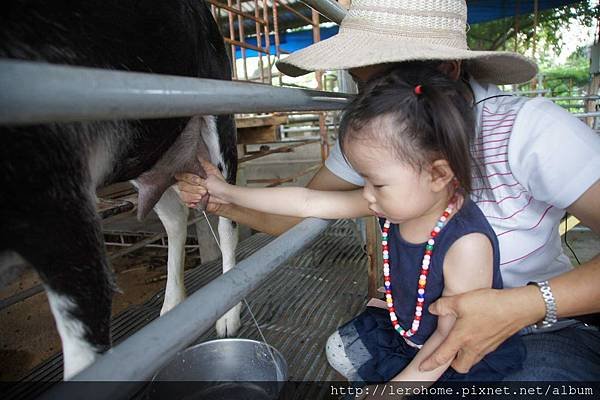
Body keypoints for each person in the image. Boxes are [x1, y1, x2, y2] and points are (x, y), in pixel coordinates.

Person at [176, 0, 600, 381]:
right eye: (362, 87)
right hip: (426, 328)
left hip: (537, 328)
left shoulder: (532, 132)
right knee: (348, 353)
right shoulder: (379, 142)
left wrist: (522, 306)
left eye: (379, 84)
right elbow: (305, 207)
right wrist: (224, 199)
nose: (367, 103)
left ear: (447, 72)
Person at [193, 65, 527, 384]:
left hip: (456, 358)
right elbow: (307, 201)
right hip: (409, 336)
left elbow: (448, 339)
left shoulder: (466, 245)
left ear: (438, 174)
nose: (365, 195)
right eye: (363, 180)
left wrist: (393, 391)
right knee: (338, 349)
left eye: (377, 183)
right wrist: (228, 191)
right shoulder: (392, 204)